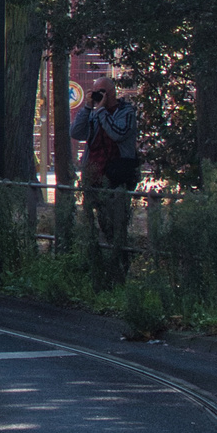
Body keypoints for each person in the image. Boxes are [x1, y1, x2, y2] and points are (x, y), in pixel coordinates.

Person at [71, 77, 140, 283]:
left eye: (100, 91)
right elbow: (76, 132)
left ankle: (120, 271)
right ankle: (98, 270)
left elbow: (117, 133)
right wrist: (87, 108)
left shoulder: (127, 113)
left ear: (111, 93)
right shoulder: (93, 113)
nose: (97, 95)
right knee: (98, 223)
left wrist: (100, 111)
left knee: (117, 223)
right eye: (94, 91)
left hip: (118, 176)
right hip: (95, 175)